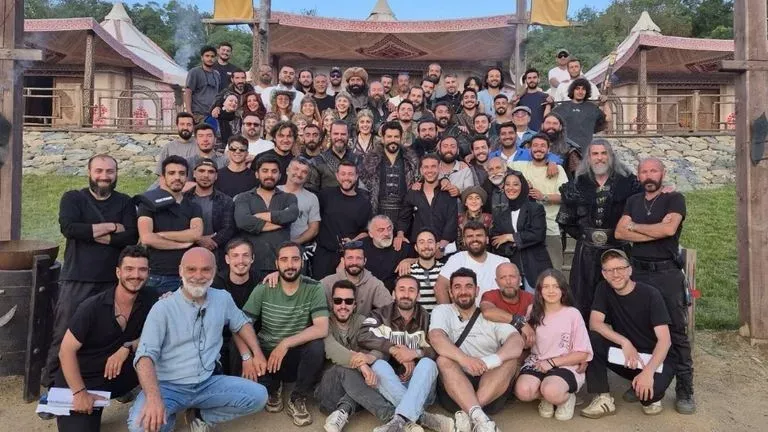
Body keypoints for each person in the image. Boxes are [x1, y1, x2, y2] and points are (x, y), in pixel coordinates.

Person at [127, 248, 268, 432]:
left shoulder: (222, 298)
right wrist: (154, 400)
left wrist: (256, 354)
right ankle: (167, 415)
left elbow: (241, 323)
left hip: (207, 383)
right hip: (167, 387)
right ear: (181, 271)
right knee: (140, 428)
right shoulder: (163, 308)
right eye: (191, 269)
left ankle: (201, 415)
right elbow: (144, 357)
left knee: (258, 396)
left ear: (214, 271)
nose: (198, 276)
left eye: (205, 269)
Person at [45, 155, 139, 392]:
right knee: (65, 330)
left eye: (109, 171)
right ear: (89, 172)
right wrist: (111, 227)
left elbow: (130, 236)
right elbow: (69, 228)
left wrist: (90, 233)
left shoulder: (125, 202)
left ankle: (113, 383)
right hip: (77, 277)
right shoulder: (73, 198)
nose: (104, 176)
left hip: (112, 280)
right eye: (99, 171)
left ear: (116, 173)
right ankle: (52, 384)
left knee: (111, 334)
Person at [615, 158, 695, 414]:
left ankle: (685, 388)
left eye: (653, 171)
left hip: (666, 273)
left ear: (663, 173)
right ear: (639, 175)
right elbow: (619, 233)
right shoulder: (633, 201)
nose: (649, 175)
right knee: (639, 328)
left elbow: (669, 230)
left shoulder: (674, 199)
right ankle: (640, 377)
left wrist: (635, 227)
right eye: (644, 171)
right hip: (638, 272)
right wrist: (654, 229)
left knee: (676, 331)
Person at [54, 246, 151, 432]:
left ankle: (165, 399)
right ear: (118, 272)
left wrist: (128, 346)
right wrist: (79, 392)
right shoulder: (91, 307)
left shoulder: (151, 298)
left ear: (148, 273)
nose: (136, 275)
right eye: (129, 269)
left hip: (120, 375)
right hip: (83, 379)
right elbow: (66, 351)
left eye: (142, 270)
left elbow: (163, 331)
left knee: (162, 351)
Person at [581, 249, 676, 418]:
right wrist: (625, 342)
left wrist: (648, 372)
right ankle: (603, 398)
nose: (615, 274)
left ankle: (645, 386)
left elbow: (665, 340)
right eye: (609, 270)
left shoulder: (650, 294)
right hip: (627, 356)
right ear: (604, 274)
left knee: (648, 397)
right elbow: (595, 323)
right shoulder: (603, 289)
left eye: (620, 268)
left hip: (654, 358)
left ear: (630, 270)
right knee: (592, 338)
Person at [242, 242, 328, 426]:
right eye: (284, 260)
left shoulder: (314, 287)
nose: (290, 265)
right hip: (266, 353)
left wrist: (285, 343)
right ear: (276, 264)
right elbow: (243, 325)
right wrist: (252, 354)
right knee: (241, 346)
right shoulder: (264, 288)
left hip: (293, 353)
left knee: (317, 346)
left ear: (302, 262)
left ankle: (297, 397)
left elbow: (322, 328)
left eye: (295, 259)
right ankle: (273, 386)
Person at [430, 268, 524, 432]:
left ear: (477, 290)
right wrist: (466, 360)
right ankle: (481, 419)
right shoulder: (443, 311)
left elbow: (516, 341)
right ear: (450, 292)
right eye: (457, 287)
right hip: (455, 385)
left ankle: (471, 414)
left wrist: (490, 361)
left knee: (510, 361)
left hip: (491, 385)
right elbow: (436, 338)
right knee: (443, 360)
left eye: (468, 286)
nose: (463, 291)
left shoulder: (490, 315)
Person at [558, 139, 642, 321]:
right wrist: (586, 236)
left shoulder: (628, 183)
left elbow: (642, 207)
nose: (600, 158)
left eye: (604, 153)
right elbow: (566, 220)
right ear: (588, 158)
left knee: (620, 294)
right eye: (595, 154)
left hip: (618, 248)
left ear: (611, 156)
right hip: (586, 253)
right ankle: (588, 336)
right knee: (583, 297)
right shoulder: (577, 184)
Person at [362, 275, 456, 432]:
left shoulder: (428, 319)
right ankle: (421, 417)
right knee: (378, 365)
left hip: (421, 387)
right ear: (393, 294)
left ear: (418, 295)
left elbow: (439, 347)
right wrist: (394, 350)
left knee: (428, 363)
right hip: (390, 386)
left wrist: (415, 353)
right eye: (402, 289)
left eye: (411, 290)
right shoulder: (380, 315)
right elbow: (363, 334)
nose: (406, 294)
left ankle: (399, 421)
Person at [316, 280, 395, 432]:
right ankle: (391, 416)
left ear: (355, 305)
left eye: (348, 301)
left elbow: (382, 347)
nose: (343, 306)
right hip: (328, 391)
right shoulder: (324, 322)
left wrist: (370, 358)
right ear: (332, 303)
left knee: (377, 369)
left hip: (359, 395)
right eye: (338, 301)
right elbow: (331, 349)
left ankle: (343, 410)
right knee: (343, 369)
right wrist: (362, 365)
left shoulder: (362, 322)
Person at [514, 269, 592, 421]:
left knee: (552, 391)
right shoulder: (533, 310)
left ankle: (565, 398)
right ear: (539, 290)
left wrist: (551, 363)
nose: (551, 291)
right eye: (546, 286)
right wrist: (525, 338)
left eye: (556, 286)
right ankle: (546, 397)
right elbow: (527, 344)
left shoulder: (572, 313)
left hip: (565, 363)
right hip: (537, 361)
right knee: (523, 391)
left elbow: (583, 353)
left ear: (563, 290)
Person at [138, 156, 203, 296]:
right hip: (157, 276)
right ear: (163, 177)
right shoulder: (147, 203)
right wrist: (181, 244)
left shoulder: (194, 207)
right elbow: (147, 238)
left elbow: (196, 234)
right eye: (172, 173)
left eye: (182, 173)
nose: (177, 177)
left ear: (187, 177)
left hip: (188, 276)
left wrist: (160, 235)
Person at [510, 133, 569, 271]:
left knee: (554, 271)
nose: (539, 149)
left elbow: (565, 197)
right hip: (525, 230)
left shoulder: (558, 169)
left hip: (550, 228)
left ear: (548, 149)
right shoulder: (519, 166)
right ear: (529, 149)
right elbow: (497, 166)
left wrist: (543, 196)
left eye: (543, 146)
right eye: (535, 145)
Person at [234, 154, 299, 276]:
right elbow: (242, 221)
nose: (269, 175)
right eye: (265, 171)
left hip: (281, 265)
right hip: (251, 265)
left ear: (280, 175)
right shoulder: (243, 197)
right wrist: (281, 222)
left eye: (274, 171)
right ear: (257, 174)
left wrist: (258, 217)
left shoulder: (289, 198)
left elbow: (292, 215)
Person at [490, 171, 552, 291]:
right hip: (512, 270)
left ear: (523, 186)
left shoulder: (535, 208)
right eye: (507, 184)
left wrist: (510, 237)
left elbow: (538, 234)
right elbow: (496, 241)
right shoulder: (501, 215)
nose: (511, 188)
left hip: (535, 267)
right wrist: (512, 245)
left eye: (515, 184)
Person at [313, 160, 373, 278]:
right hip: (323, 255)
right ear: (337, 176)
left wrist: (353, 241)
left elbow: (367, 232)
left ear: (356, 176)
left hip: (349, 257)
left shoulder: (364, 203)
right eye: (343, 174)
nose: (346, 178)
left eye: (350, 174)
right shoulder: (325, 195)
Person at [212, 238, 261, 376]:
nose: (241, 261)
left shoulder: (261, 281)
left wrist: (276, 275)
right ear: (227, 259)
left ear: (252, 258)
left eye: (245, 255)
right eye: (235, 256)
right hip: (221, 338)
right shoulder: (216, 283)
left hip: (253, 337)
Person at [434, 221, 509, 304]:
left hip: (495, 311)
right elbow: (440, 287)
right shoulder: (456, 259)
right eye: (470, 236)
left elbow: (512, 292)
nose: (474, 239)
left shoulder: (502, 262)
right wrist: (447, 311)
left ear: (487, 239)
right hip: (463, 311)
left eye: (479, 235)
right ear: (464, 240)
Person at [359, 121, 420, 221]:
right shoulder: (370, 161)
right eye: (389, 137)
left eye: (396, 137)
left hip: (405, 214)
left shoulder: (411, 161)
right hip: (378, 212)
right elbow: (363, 189)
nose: (393, 140)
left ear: (401, 138)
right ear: (383, 139)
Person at [397, 153, 458, 246]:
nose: (430, 170)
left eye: (433, 166)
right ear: (421, 170)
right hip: (419, 246)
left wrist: (443, 244)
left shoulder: (449, 192)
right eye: (426, 167)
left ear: (439, 168)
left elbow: (452, 221)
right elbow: (404, 218)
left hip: (444, 246)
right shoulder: (413, 193)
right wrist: (400, 235)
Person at [184, 158, 236, 264]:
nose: (206, 175)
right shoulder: (183, 199)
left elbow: (229, 228)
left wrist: (213, 241)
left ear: (216, 176)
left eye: (211, 172)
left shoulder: (226, 200)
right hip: (186, 251)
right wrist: (199, 239)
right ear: (194, 174)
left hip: (216, 254)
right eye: (201, 171)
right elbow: (179, 226)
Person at [320, 242, 392, 316]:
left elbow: (391, 310)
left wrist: (373, 320)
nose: (354, 262)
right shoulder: (327, 283)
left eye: (359, 258)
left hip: (362, 323)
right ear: (343, 260)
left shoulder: (374, 284)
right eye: (350, 258)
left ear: (365, 261)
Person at [278, 158, 321, 272]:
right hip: (272, 248)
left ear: (307, 176)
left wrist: (294, 243)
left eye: (304, 172)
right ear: (287, 170)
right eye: (296, 169)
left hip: (298, 249)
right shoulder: (274, 192)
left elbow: (314, 229)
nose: (299, 174)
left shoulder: (312, 198)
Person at [478, 263, 535, 343]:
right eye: (503, 277)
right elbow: (487, 312)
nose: (508, 282)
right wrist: (520, 323)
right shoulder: (490, 295)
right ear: (497, 282)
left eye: (512, 276)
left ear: (520, 279)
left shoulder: (530, 298)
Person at [362, 215, 416, 292]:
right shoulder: (360, 248)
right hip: (367, 294)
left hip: (394, 296)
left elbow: (425, 258)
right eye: (381, 230)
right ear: (371, 234)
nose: (387, 233)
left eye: (389, 229)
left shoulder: (402, 246)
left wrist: (409, 261)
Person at [552, 78, 609, 149]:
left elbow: (607, 119)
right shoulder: (563, 107)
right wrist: (548, 105)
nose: (580, 92)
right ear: (572, 90)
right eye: (577, 89)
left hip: (585, 147)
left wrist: (605, 102)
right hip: (565, 147)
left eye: (583, 89)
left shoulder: (591, 107)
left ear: (586, 91)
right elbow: (548, 120)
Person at [307, 120, 360, 192]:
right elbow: (311, 192)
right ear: (330, 135)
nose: (339, 137)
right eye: (336, 134)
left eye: (343, 134)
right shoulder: (317, 162)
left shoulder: (358, 160)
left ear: (348, 136)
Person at [409, 229, 445, 312]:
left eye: (430, 242)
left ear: (437, 245)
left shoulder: (446, 270)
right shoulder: (408, 272)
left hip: (440, 319)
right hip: (417, 319)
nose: (426, 246)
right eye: (421, 242)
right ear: (416, 247)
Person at [540, 112, 582, 179]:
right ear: (542, 125)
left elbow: (578, 177)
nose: (551, 126)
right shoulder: (530, 144)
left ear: (560, 127)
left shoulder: (570, 149)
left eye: (555, 123)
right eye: (548, 123)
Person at [154, 113, 197, 178]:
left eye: (189, 125)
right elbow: (161, 174)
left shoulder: (200, 146)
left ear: (193, 127)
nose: (185, 127)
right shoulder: (168, 147)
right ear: (177, 126)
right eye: (182, 124)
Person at [184, 46, 220, 123]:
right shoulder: (194, 72)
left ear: (215, 58)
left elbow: (218, 94)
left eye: (212, 56)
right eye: (207, 56)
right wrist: (189, 113)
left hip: (213, 115)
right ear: (202, 58)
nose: (210, 59)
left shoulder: (217, 74)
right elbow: (188, 92)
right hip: (198, 114)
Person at [456, 186, 492, 251]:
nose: (474, 201)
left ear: (482, 202)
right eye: (470, 198)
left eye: (477, 198)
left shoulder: (490, 219)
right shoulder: (459, 220)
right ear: (465, 203)